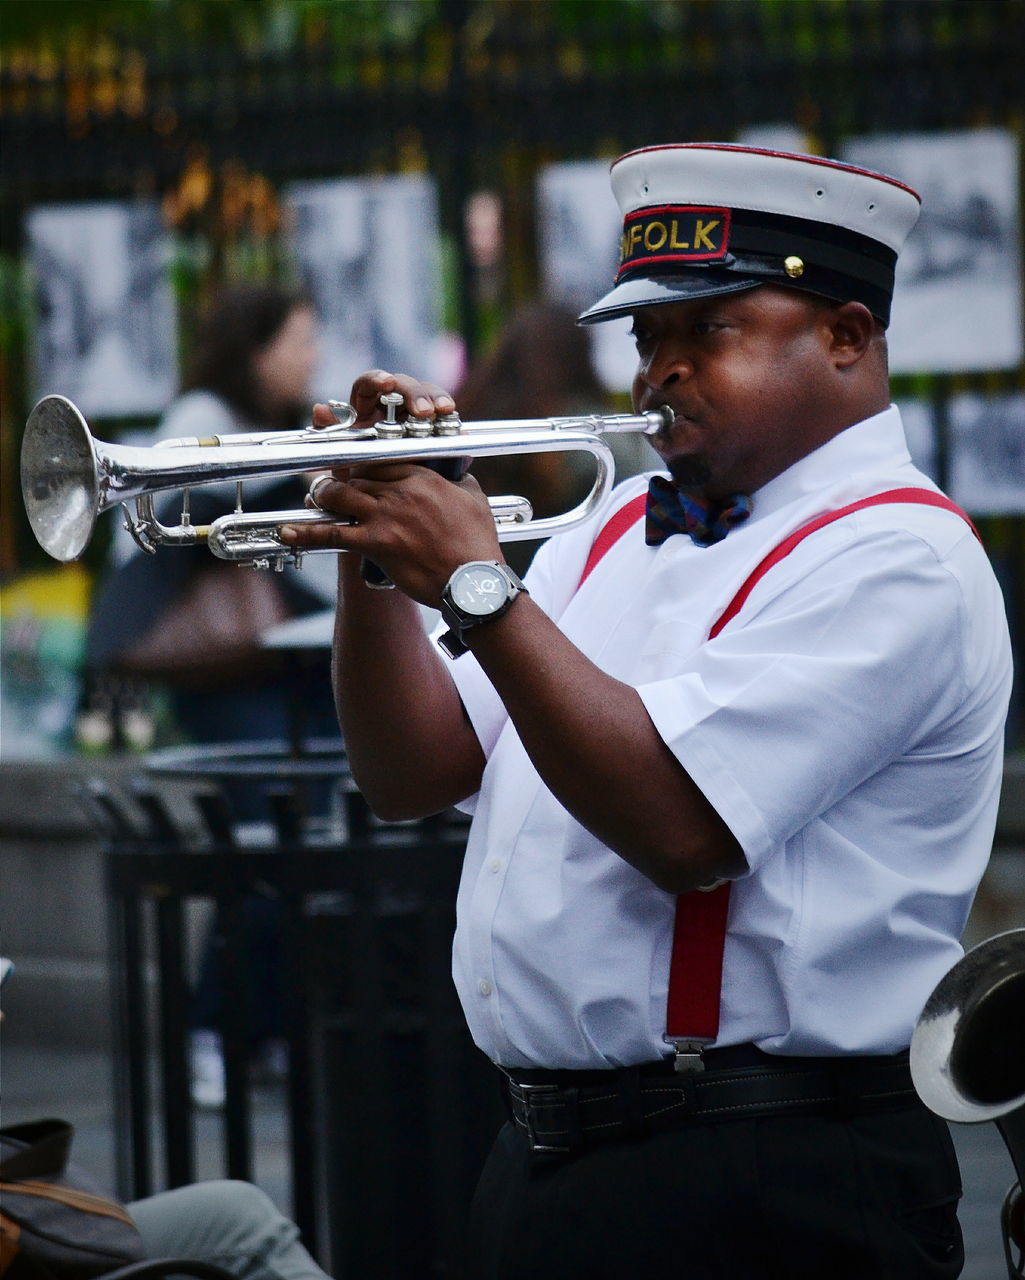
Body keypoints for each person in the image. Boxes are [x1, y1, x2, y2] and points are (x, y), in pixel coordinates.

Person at [281, 145, 1013, 1278]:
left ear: (846, 338)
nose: (657, 373)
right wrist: (371, 548)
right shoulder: (618, 525)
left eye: (705, 331)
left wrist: (476, 584)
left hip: (766, 1173)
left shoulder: (900, 558)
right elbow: (412, 770)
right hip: (548, 1156)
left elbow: (679, 826)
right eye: (644, 339)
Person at [85, 282, 340, 1110]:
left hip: (291, 670)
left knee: (306, 857)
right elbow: (180, 504)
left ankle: (266, 1029)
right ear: (252, 349)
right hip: (232, 678)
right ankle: (212, 1030)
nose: (308, 359)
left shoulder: (297, 414)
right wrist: (305, 463)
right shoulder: (202, 408)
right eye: (295, 342)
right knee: (266, 851)